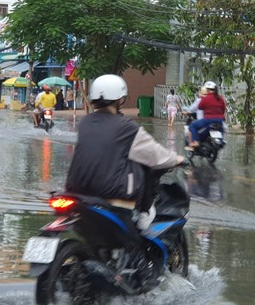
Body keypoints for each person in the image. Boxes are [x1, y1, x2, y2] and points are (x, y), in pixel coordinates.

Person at [65, 74, 184, 230]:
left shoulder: (85, 122)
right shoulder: (126, 127)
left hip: (77, 191)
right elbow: (155, 155)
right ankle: (144, 212)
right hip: (112, 196)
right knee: (144, 164)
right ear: (120, 100)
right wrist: (177, 159)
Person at [187, 81, 226, 149]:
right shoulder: (220, 98)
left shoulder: (206, 98)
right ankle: (220, 140)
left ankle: (195, 141)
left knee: (192, 126)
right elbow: (223, 109)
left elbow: (200, 107)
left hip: (208, 120)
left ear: (207, 90)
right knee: (220, 129)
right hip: (219, 120)